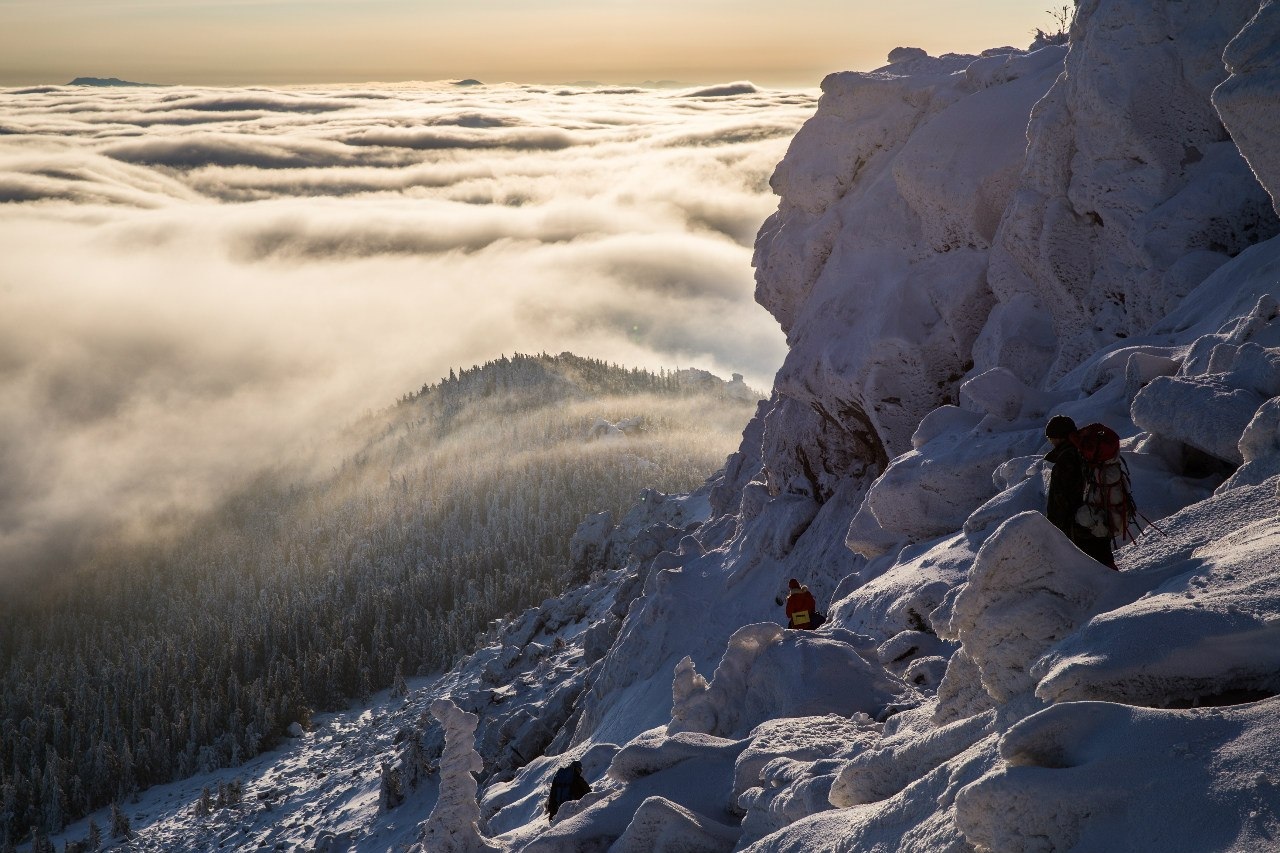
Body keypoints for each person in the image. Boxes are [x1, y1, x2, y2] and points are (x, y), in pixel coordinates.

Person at [1043, 415, 1117, 569]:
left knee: (1089, 569)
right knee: (1104, 562)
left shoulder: (1066, 460)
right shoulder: (1086, 454)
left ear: (1059, 438)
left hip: (1078, 525)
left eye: (1052, 438)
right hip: (1098, 516)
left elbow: (1060, 499)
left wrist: (1054, 530)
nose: (1052, 443)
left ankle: (1120, 590)